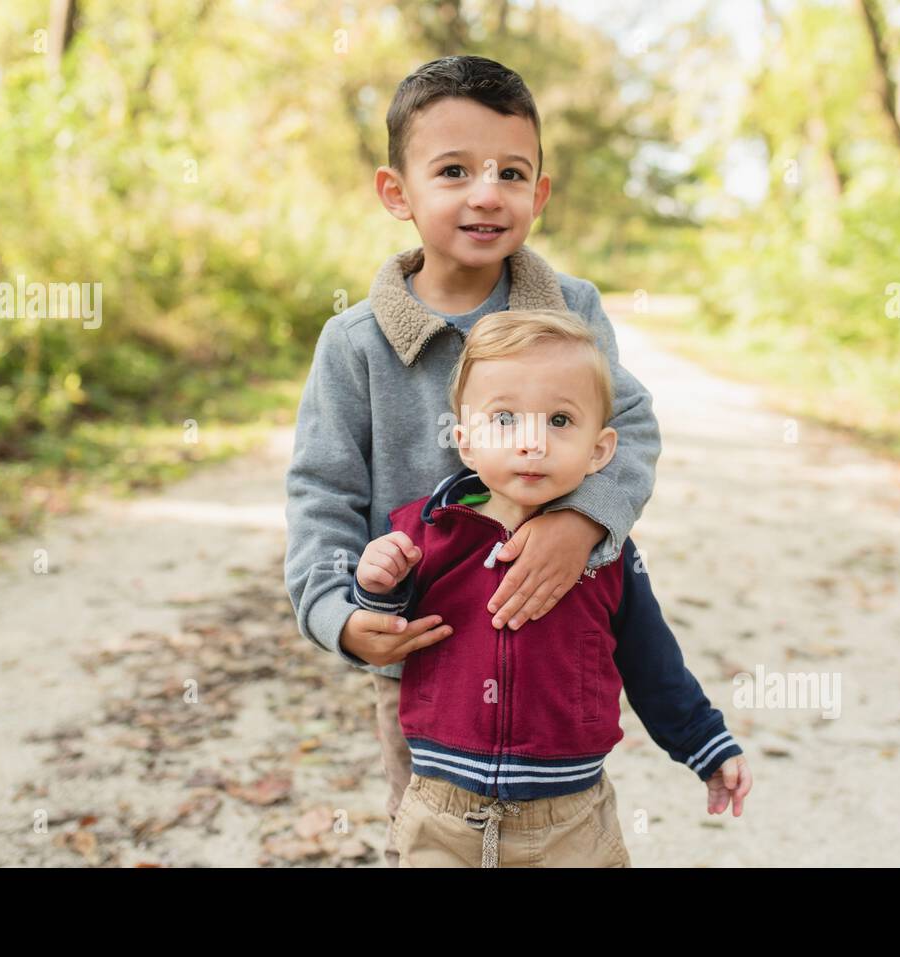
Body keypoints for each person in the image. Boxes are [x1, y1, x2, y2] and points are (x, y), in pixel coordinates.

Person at [282, 54, 738, 866]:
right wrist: (340, 618)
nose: (486, 193)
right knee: (430, 837)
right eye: (453, 170)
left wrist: (584, 519)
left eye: (511, 172)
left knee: (563, 834)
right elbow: (322, 494)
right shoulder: (355, 345)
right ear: (398, 192)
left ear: (540, 192)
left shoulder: (573, 311)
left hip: (557, 650)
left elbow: (626, 427)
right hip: (425, 670)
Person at [350, 309, 749, 867]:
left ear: (601, 450)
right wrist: (378, 583)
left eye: (560, 421)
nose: (532, 442)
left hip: (569, 816)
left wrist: (705, 745)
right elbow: (389, 624)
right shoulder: (425, 532)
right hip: (442, 807)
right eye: (505, 418)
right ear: (465, 442)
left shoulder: (606, 553)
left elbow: (652, 658)